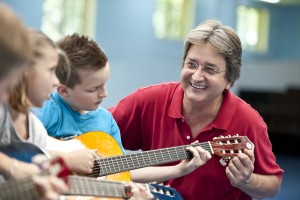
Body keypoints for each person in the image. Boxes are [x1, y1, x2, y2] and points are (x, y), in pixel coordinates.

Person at [109, 19, 284, 200]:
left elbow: (273, 185)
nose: (197, 76)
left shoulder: (248, 121)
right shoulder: (147, 100)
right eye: (191, 64)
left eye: (210, 69)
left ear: (229, 80)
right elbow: (93, 129)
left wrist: (246, 181)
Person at [33, 33, 211, 184]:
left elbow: (126, 170)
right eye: (93, 89)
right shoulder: (47, 108)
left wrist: (178, 170)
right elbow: (17, 147)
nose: (104, 94)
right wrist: (66, 160)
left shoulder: (105, 120)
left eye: (105, 84)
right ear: (63, 90)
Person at [0, 2, 68, 200]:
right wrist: (14, 167)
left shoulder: (36, 130)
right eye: (50, 70)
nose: (56, 81)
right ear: (25, 72)